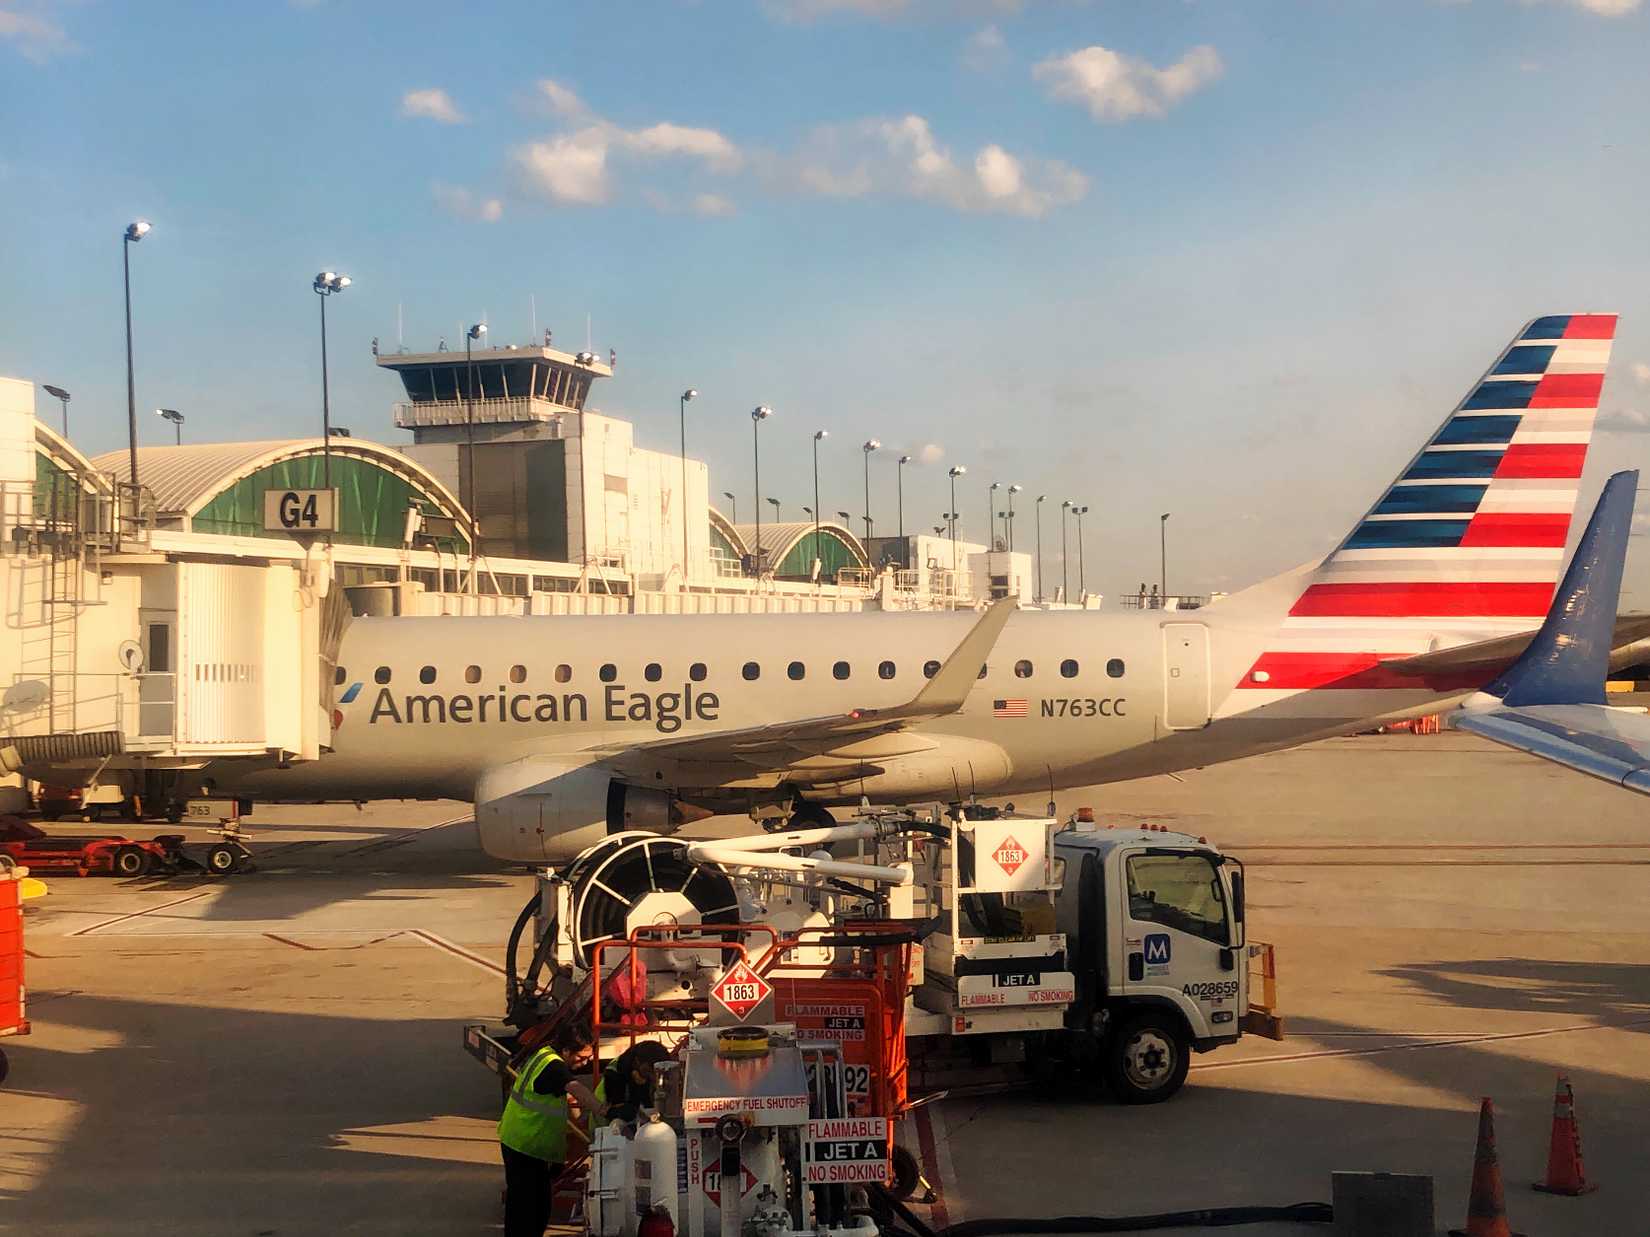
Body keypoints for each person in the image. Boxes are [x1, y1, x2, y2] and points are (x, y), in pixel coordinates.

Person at [498, 1027, 601, 1237]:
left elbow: (564, 1100)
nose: (586, 1063)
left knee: (532, 1207)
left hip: (522, 1142)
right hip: (524, 1146)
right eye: (582, 1057)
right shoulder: (553, 1067)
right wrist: (604, 1110)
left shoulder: (544, 1055)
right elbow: (576, 1089)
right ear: (565, 1051)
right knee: (528, 1211)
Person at [596, 1041, 672, 1123]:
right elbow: (618, 1113)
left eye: (655, 1073)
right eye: (648, 1071)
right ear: (636, 1062)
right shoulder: (614, 1073)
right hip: (605, 1126)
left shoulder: (641, 1070)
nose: (652, 1077)